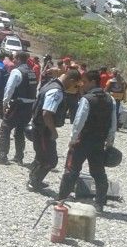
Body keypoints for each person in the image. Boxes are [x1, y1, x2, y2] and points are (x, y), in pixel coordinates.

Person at [56, 70, 117, 213]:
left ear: (93, 82)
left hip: (82, 141)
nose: (82, 84)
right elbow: (113, 123)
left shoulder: (86, 99)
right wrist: (110, 142)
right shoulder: (110, 100)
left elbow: (79, 122)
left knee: (71, 170)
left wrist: (72, 139)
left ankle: (61, 200)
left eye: (85, 82)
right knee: (98, 172)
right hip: (99, 142)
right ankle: (100, 203)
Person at [28, 68, 81, 191]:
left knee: (42, 156)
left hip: (39, 127)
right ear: (71, 80)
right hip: (43, 130)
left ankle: (34, 179)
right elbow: (47, 113)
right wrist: (53, 131)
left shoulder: (51, 83)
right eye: (73, 85)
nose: (72, 88)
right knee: (50, 159)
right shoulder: (57, 91)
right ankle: (33, 182)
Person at [0, 52, 38, 165]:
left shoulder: (16, 71)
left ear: (18, 59)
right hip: (29, 106)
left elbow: (9, 88)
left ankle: (3, 156)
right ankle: (19, 157)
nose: (13, 61)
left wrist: (5, 103)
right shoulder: (32, 72)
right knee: (20, 131)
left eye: (14, 58)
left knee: (4, 129)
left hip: (18, 105)